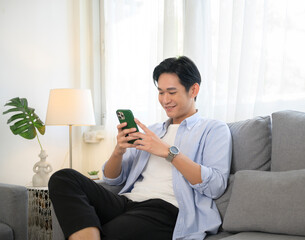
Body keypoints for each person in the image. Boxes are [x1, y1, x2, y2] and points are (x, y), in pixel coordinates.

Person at [49, 56, 232, 240]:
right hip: (128, 202)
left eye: (172, 92)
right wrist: (118, 151)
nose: (165, 100)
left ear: (194, 89)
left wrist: (168, 152)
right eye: (160, 92)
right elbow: (112, 179)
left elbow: (215, 186)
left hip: (165, 209)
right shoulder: (153, 131)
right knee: (63, 178)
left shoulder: (213, 129)